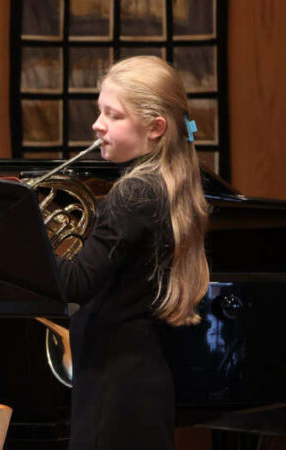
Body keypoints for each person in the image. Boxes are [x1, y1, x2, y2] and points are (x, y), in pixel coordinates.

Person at [56, 56, 209, 450]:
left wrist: (22, 234)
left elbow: (75, 282)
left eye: (113, 114)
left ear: (155, 128)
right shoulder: (165, 184)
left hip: (115, 389)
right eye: (98, 111)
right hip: (136, 382)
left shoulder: (134, 193)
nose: (97, 124)